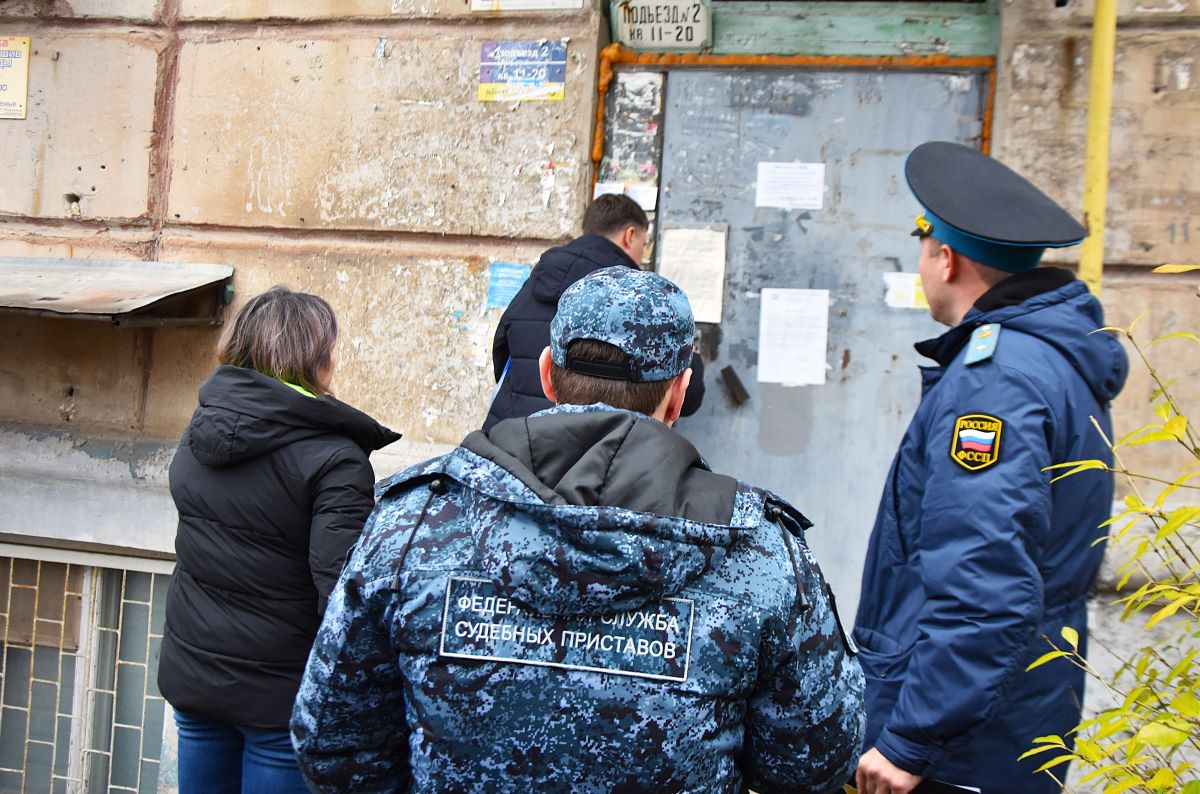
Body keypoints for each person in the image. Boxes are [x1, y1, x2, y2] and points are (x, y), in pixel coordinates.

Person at [293, 266, 864, 792]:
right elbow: (814, 763)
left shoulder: (412, 522)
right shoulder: (758, 550)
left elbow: (332, 741)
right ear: (678, 394)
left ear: (547, 373)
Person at [853, 142, 1129, 794]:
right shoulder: (1048, 356)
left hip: (966, 734)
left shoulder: (995, 381)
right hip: (1015, 702)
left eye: (924, 247)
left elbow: (984, 579)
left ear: (945, 259)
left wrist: (911, 738)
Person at [158, 286, 400, 793]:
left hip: (195, 673)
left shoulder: (202, 426)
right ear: (316, 359)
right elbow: (341, 594)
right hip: (278, 696)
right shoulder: (336, 460)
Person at [484, 193, 704, 431]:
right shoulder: (642, 301)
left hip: (514, 432)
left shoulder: (537, 281)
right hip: (604, 442)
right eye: (643, 243)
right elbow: (687, 397)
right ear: (630, 235)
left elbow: (500, 352)